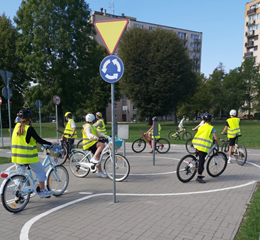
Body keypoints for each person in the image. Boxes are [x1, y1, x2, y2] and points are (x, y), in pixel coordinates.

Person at [11, 109, 57, 198]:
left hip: (16, 158)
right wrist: (51, 143)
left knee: (20, 176)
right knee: (40, 172)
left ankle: (18, 195)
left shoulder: (16, 127)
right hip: (28, 157)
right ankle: (43, 191)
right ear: (30, 119)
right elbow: (39, 139)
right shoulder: (29, 128)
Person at [192, 113, 223, 183]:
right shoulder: (211, 128)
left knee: (199, 157)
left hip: (196, 144)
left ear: (204, 120)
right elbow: (215, 138)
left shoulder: (201, 126)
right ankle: (199, 176)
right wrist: (219, 140)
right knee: (201, 161)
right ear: (210, 120)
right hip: (203, 146)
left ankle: (194, 163)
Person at [82, 113, 109, 178]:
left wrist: (107, 137)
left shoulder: (92, 126)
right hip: (88, 143)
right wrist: (95, 137)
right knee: (102, 145)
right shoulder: (87, 126)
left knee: (99, 156)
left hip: (92, 143)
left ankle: (100, 172)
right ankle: (93, 158)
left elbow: (99, 133)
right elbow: (88, 134)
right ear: (92, 120)